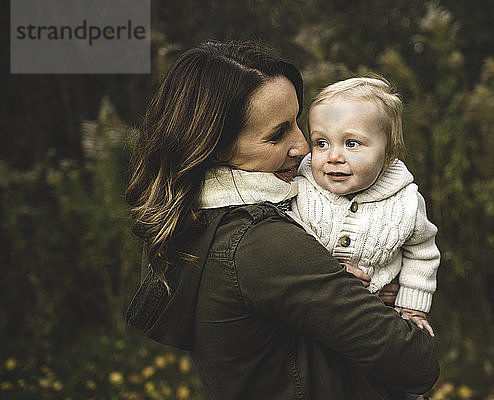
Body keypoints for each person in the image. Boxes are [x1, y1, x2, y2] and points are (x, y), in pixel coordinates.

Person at [125, 41, 439, 400]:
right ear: (213, 146)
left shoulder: (199, 219)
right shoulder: (264, 243)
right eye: (278, 134)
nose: (303, 146)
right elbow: (417, 364)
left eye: (296, 122)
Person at [291, 77, 440, 337]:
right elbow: (284, 241)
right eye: (321, 143)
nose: (334, 157)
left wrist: (412, 305)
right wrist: (326, 271)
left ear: (388, 154)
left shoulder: (405, 202)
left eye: (351, 143)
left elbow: (422, 252)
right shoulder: (300, 189)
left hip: (373, 316)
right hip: (305, 315)